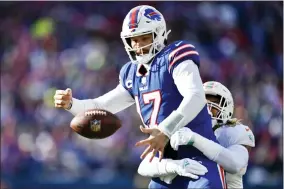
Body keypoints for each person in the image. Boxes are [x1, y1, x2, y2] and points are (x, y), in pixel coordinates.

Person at [54, 5, 224, 188]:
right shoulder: (132, 73)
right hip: (166, 166)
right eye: (134, 40)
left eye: (144, 38)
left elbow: (196, 96)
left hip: (199, 158)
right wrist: (72, 104)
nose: (138, 45)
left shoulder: (175, 56)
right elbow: (101, 106)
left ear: (159, 35)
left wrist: (165, 130)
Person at [137, 81, 255, 189]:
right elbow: (144, 166)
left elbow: (235, 164)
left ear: (227, 108)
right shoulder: (182, 127)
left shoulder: (233, 131)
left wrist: (194, 139)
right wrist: (175, 166)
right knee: (158, 182)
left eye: (213, 105)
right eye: (203, 105)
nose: (207, 111)